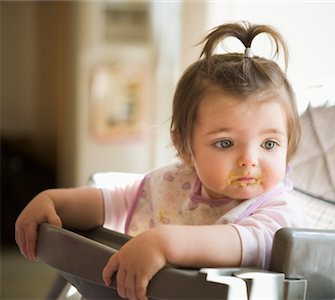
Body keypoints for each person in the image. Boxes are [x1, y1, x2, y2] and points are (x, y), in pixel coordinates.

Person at [15, 21, 306, 300]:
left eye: (269, 144)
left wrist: (164, 243)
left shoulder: (279, 214)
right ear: (183, 147)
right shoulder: (172, 185)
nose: (249, 160)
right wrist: (54, 202)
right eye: (225, 143)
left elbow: (244, 243)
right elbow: (112, 201)